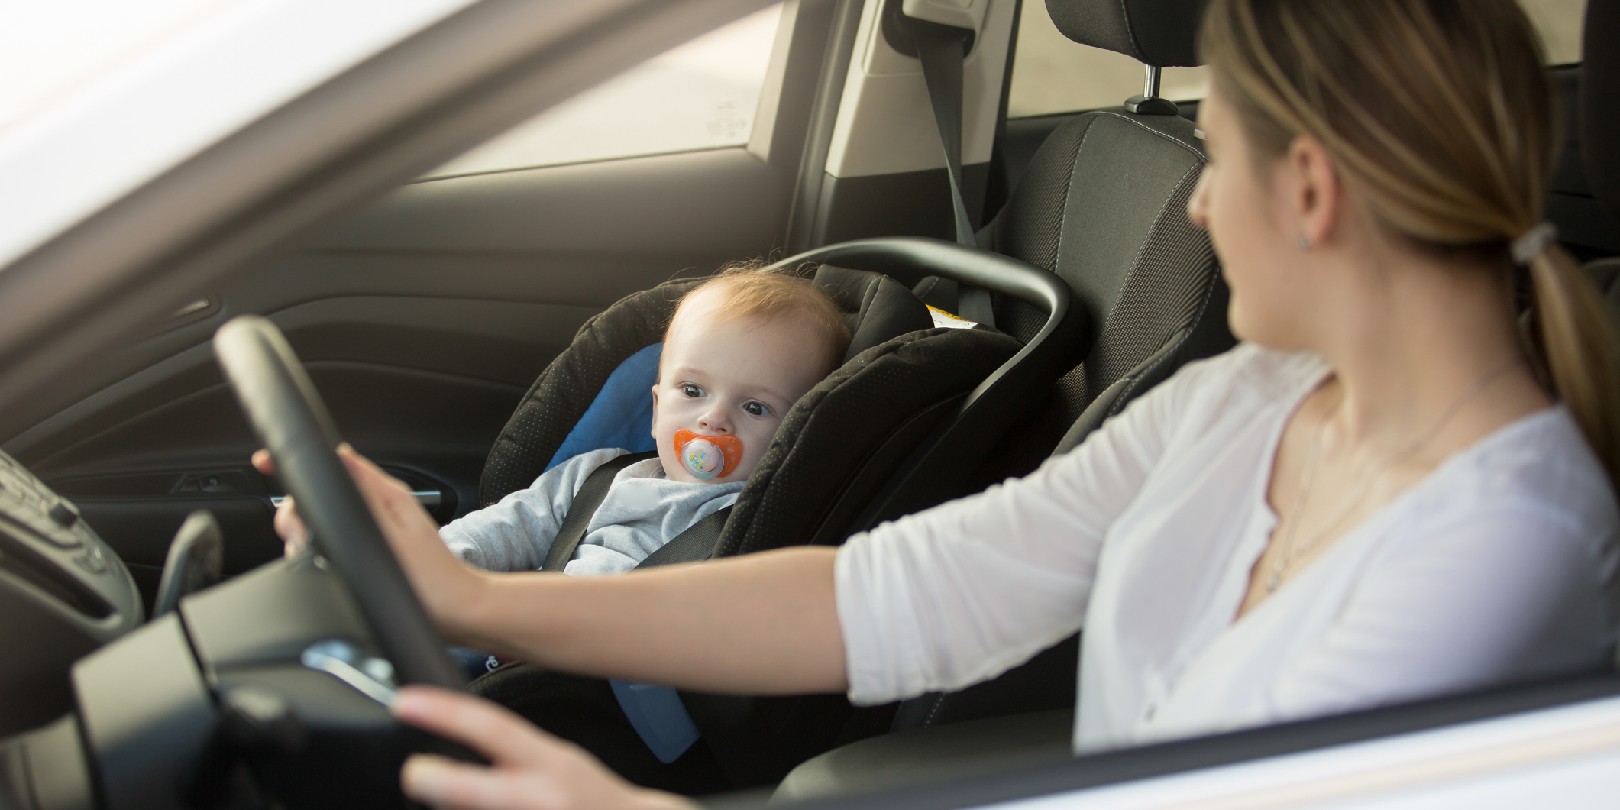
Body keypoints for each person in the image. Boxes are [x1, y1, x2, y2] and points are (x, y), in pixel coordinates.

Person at [278, 0, 1620, 806]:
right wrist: (477, 600)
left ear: (1313, 193)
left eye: (1214, 167)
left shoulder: (1501, 543)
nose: (1199, 210)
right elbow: (903, 592)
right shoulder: (1247, 402)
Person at [266, 264, 850, 680]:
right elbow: (502, 529)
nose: (713, 418)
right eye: (692, 390)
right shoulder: (594, 476)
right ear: (654, 409)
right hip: (492, 647)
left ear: (795, 430)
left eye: (755, 407)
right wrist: (413, 565)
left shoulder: (755, 528)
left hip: (585, 690)